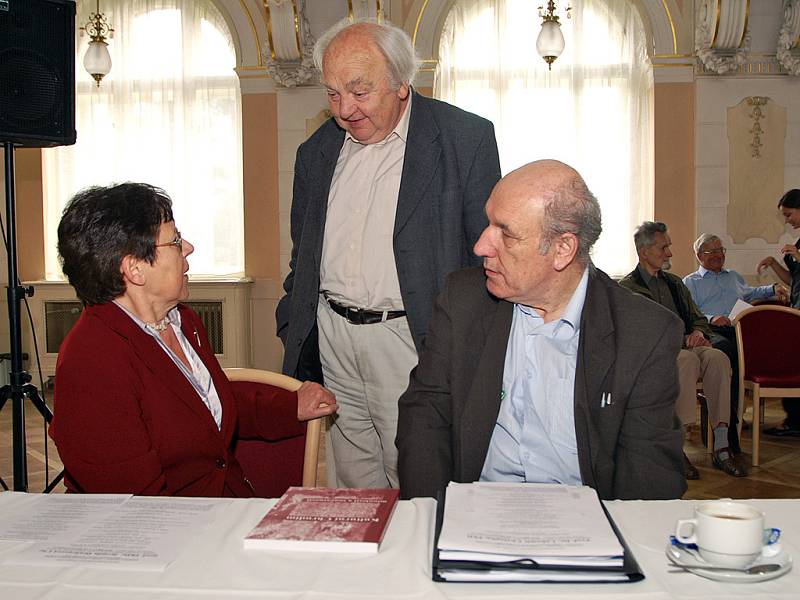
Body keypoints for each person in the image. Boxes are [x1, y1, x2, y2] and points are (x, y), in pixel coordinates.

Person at [275, 19, 501, 489]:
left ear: (401, 83)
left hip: (413, 337)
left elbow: (487, 260)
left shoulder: (464, 139)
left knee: (419, 471)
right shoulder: (316, 151)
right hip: (333, 335)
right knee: (353, 479)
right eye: (333, 94)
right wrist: (293, 324)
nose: (344, 110)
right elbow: (304, 255)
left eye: (359, 91)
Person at [396, 160, 686, 501]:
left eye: (505, 233)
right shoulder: (462, 300)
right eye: (488, 223)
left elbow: (648, 473)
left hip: (586, 522)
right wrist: (436, 515)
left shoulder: (644, 333)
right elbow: (424, 414)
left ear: (563, 249)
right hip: (476, 508)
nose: (481, 246)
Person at [50, 183, 337, 496]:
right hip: (169, 533)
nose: (187, 247)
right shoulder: (91, 362)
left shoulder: (182, 320)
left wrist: (290, 406)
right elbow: (134, 505)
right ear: (135, 269)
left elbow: (205, 404)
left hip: (217, 513)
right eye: (173, 240)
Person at [619, 222, 746, 479]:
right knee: (686, 360)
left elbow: (697, 317)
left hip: (686, 345)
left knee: (718, 357)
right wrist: (683, 338)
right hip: (655, 355)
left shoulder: (675, 284)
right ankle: (678, 446)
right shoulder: (628, 288)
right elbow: (642, 331)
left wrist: (699, 332)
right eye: (664, 247)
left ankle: (722, 444)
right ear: (644, 252)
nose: (670, 253)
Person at [683, 233, 787, 454]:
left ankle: (736, 416)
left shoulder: (733, 277)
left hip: (737, 330)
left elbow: (750, 293)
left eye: (721, 250)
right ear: (699, 255)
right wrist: (712, 318)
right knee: (730, 354)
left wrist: (773, 288)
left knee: (761, 350)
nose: (718, 256)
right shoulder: (690, 282)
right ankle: (726, 432)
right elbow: (691, 313)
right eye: (712, 252)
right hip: (711, 332)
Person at [757, 188, 800, 436]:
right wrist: (774, 264)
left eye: (789, 214)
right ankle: (794, 419)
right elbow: (795, 280)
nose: (787, 220)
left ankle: (794, 421)